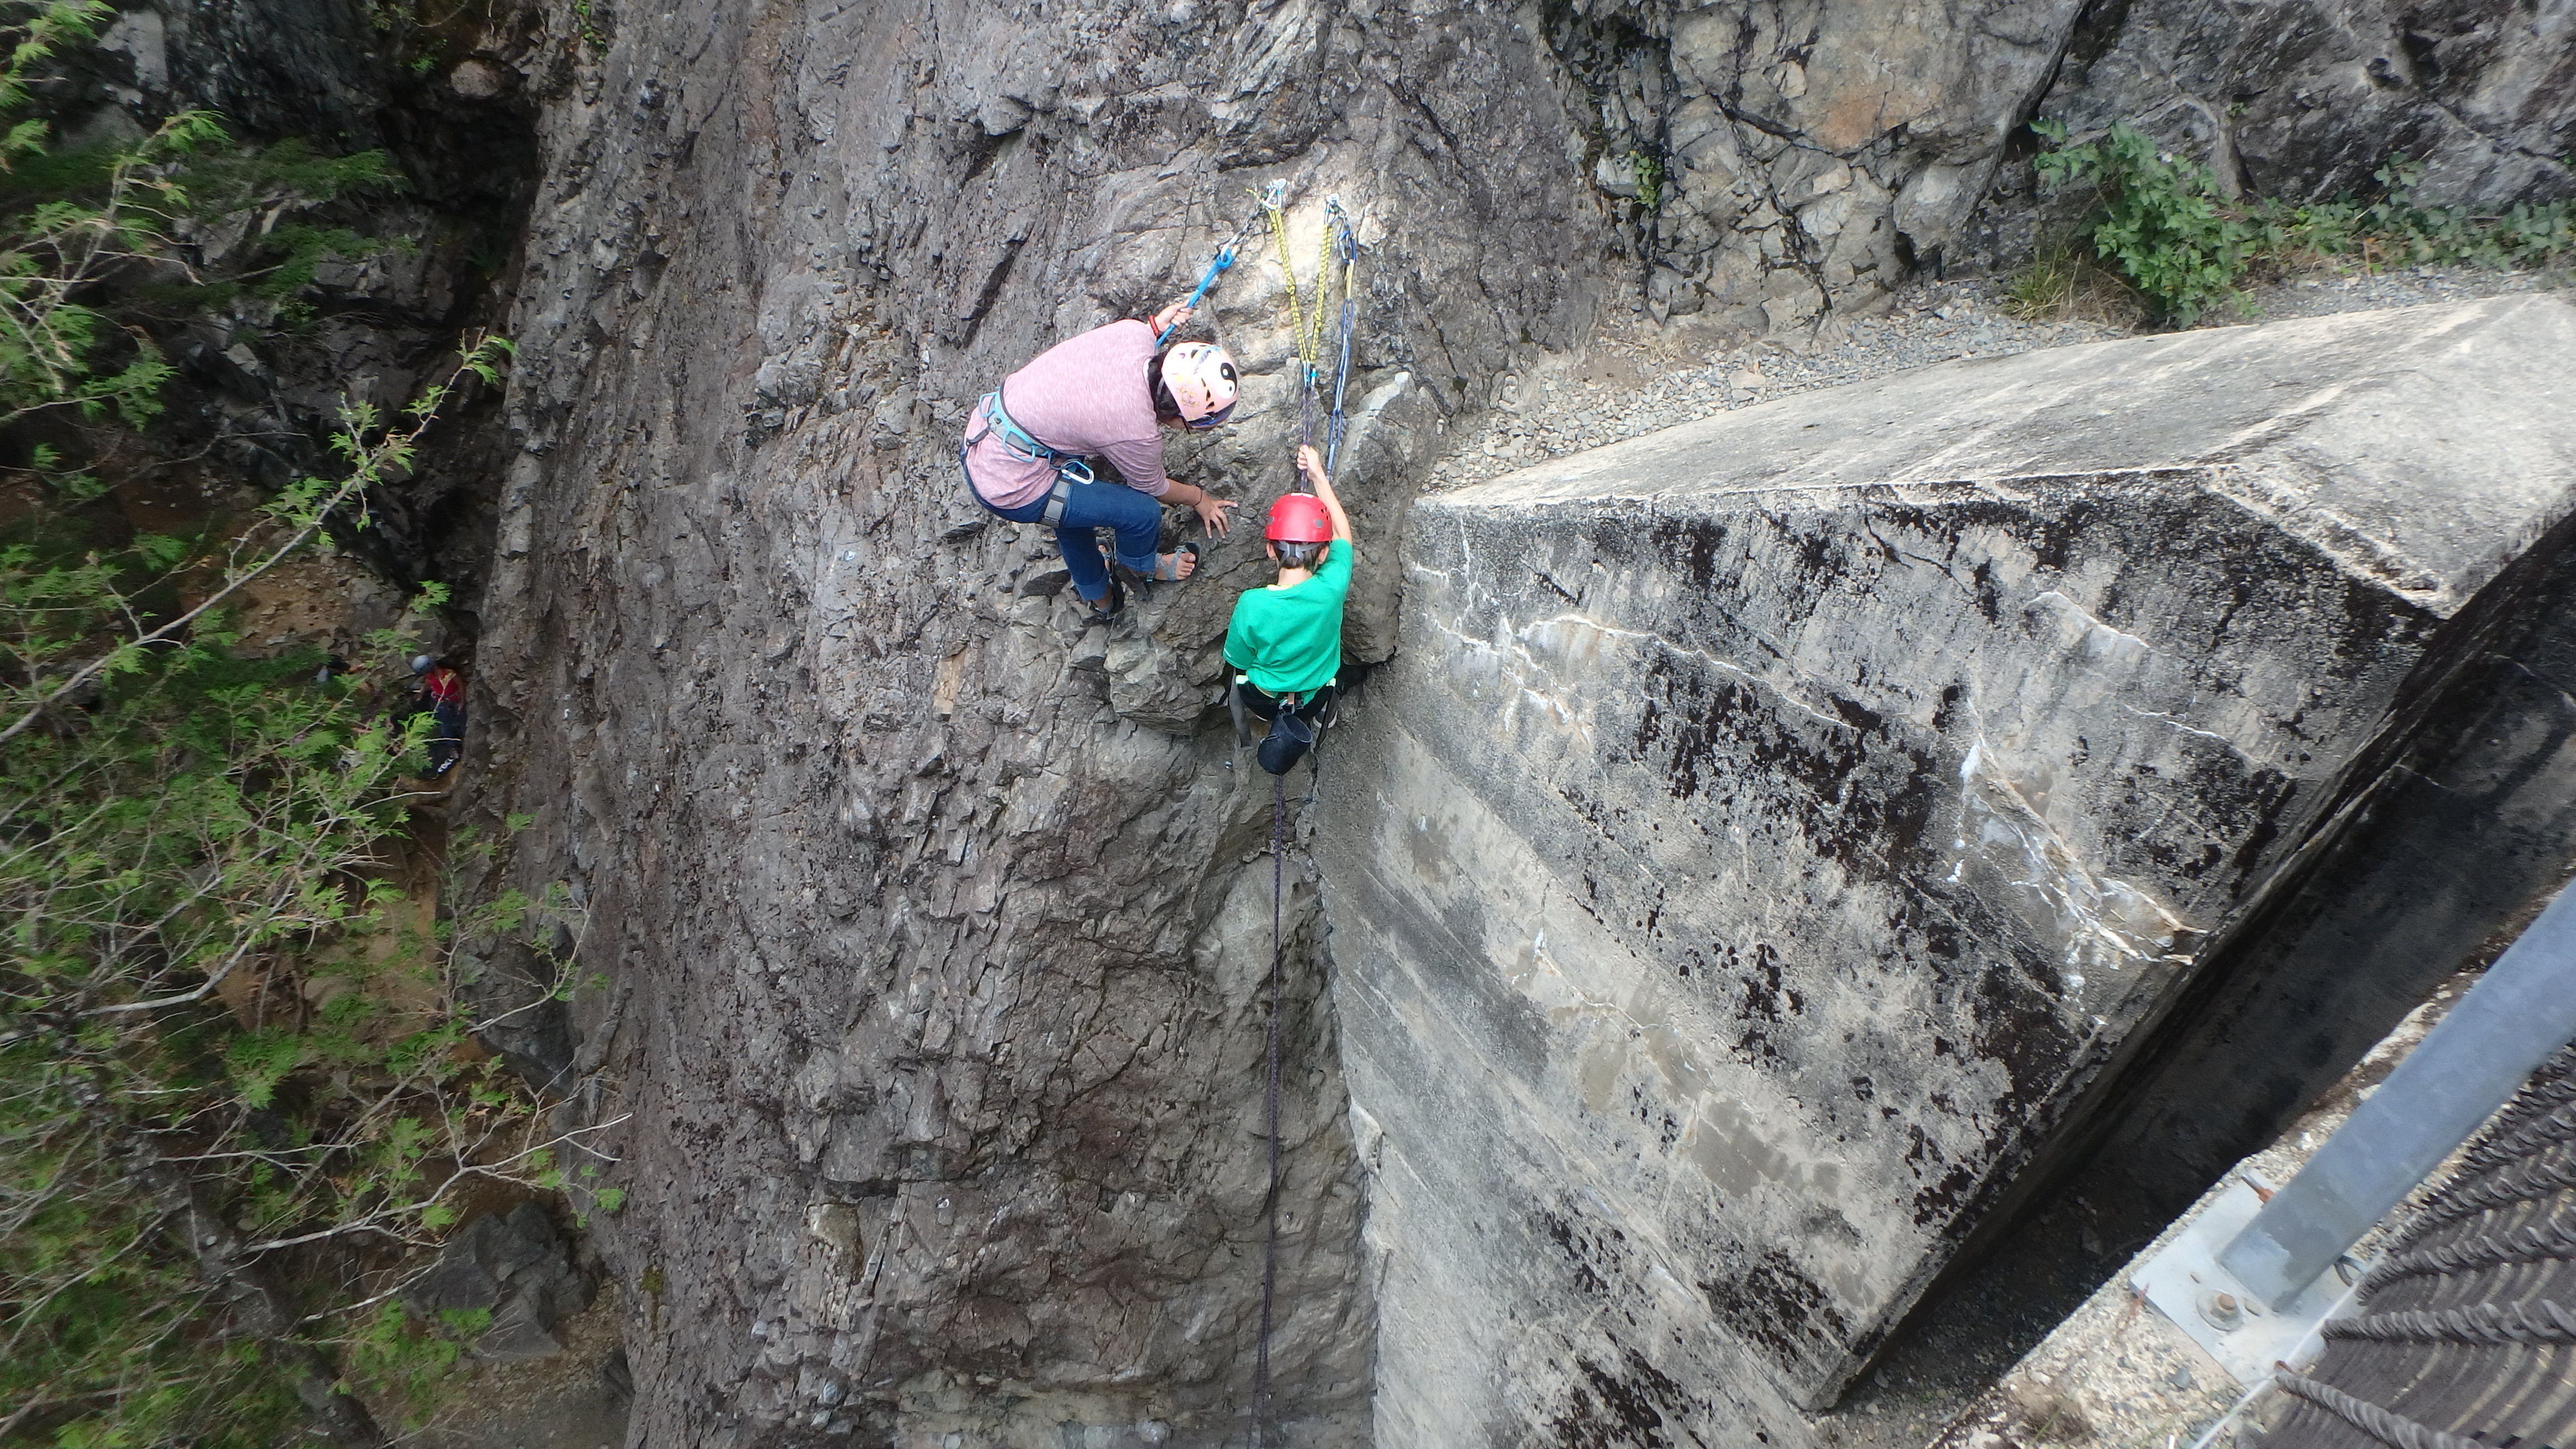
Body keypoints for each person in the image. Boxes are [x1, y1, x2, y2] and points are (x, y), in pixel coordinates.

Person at [959, 299, 1240, 618]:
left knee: (1068, 514)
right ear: (1178, 417)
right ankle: (1141, 567)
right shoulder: (1135, 430)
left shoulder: (1135, 333)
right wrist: (1199, 498)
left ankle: (1099, 596)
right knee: (1142, 513)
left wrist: (1159, 325)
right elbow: (1153, 488)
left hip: (986, 433)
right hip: (1011, 485)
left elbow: (1148, 330)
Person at [1224, 444, 1352, 771]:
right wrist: (1319, 477)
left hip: (1264, 701)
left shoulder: (1252, 605)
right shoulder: (1332, 587)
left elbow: (1239, 659)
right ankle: (1322, 713)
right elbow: (1343, 537)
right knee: (1332, 677)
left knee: (1244, 676)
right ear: (1323, 554)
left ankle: (1264, 723)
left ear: (1270, 550)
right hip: (1314, 695)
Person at [410, 654, 466, 778]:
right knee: (444, 726)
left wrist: (462, 701)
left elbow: (460, 686)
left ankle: (465, 744)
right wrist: (421, 692)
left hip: (453, 701)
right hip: (441, 702)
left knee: (461, 723)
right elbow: (428, 682)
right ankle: (453, 750)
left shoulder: (449, 674)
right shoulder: (430, 675)